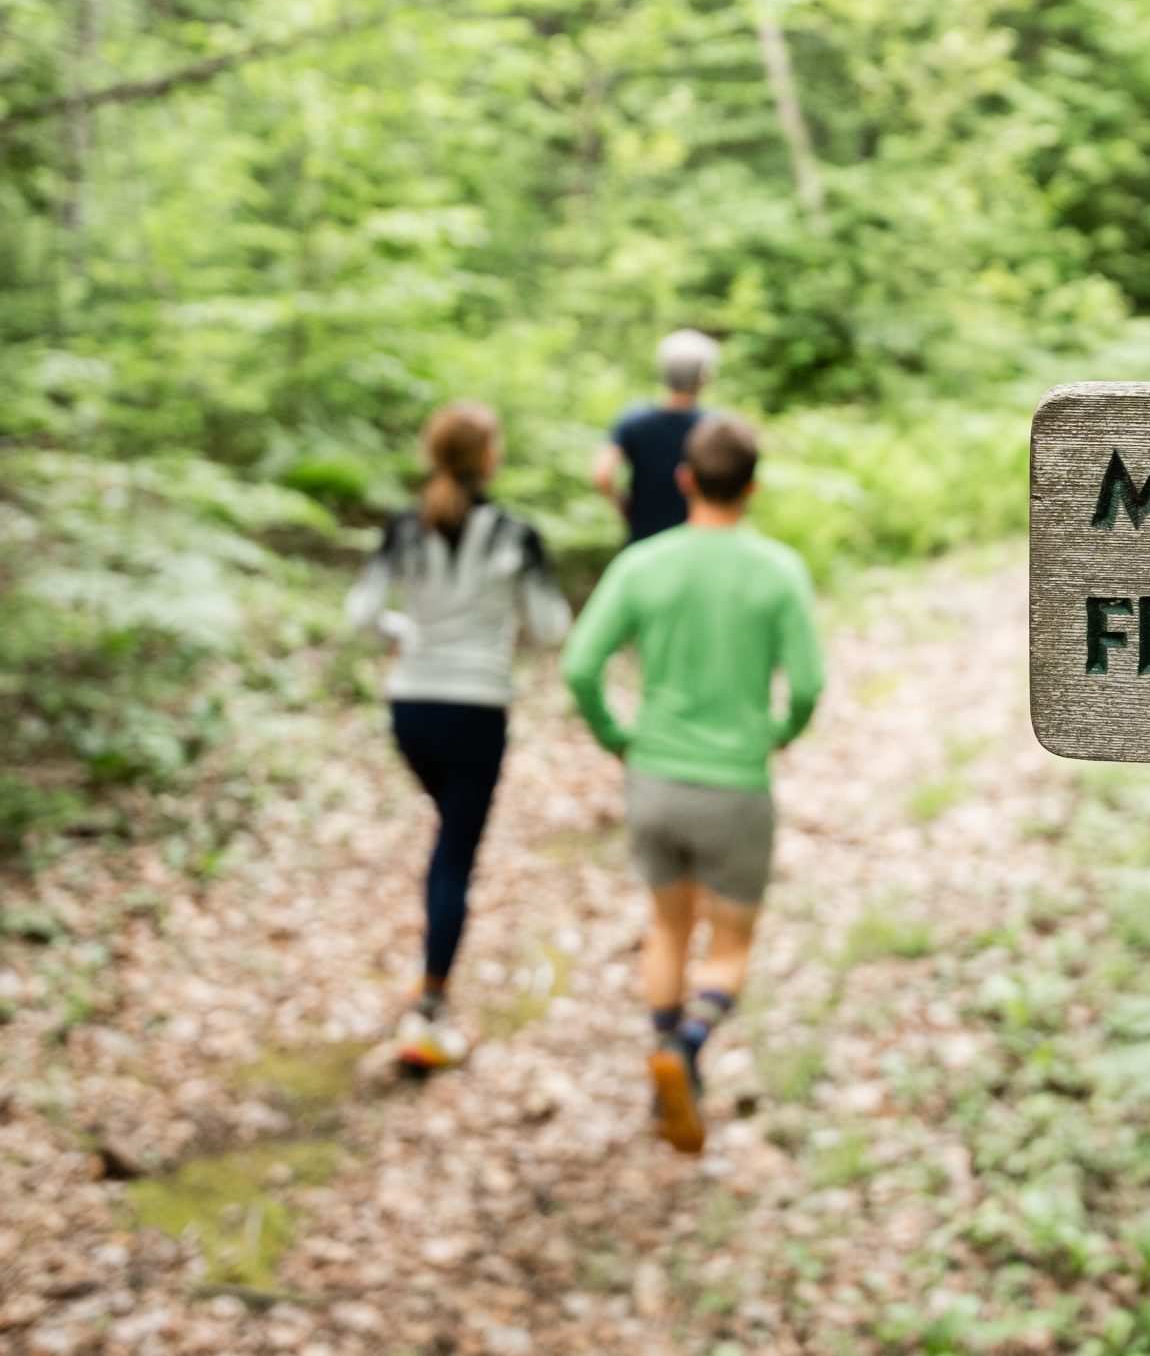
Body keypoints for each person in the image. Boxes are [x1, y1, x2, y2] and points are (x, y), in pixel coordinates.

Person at [561, 414, 824, 1154]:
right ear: (753, 488)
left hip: (654, 777)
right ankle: (689, 1048)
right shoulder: (778, 570)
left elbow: (580, 665)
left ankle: (664, 1071)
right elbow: (807, 684)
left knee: (668, 923)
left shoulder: (643, 564)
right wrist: (780, 733)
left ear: (683, 480)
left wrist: (619, 737)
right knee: (730, 940)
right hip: (736, 784)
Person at [347, 402, 571, 1072]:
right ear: (489, 456)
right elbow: (554, 626)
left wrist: (403, 633)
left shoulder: (402, 529)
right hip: (477, 708)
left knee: (450, 840)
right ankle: (432, 1001)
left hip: (411, 707)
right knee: (455, 851)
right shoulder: (515, 535)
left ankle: (431, 984)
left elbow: (360, 612)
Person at [591, 329, 719, 546]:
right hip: (696, 539)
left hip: (644, 538)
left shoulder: (634, 421)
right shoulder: (713, 426)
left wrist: (625, 508)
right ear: (703, 377)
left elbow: (602, 474)